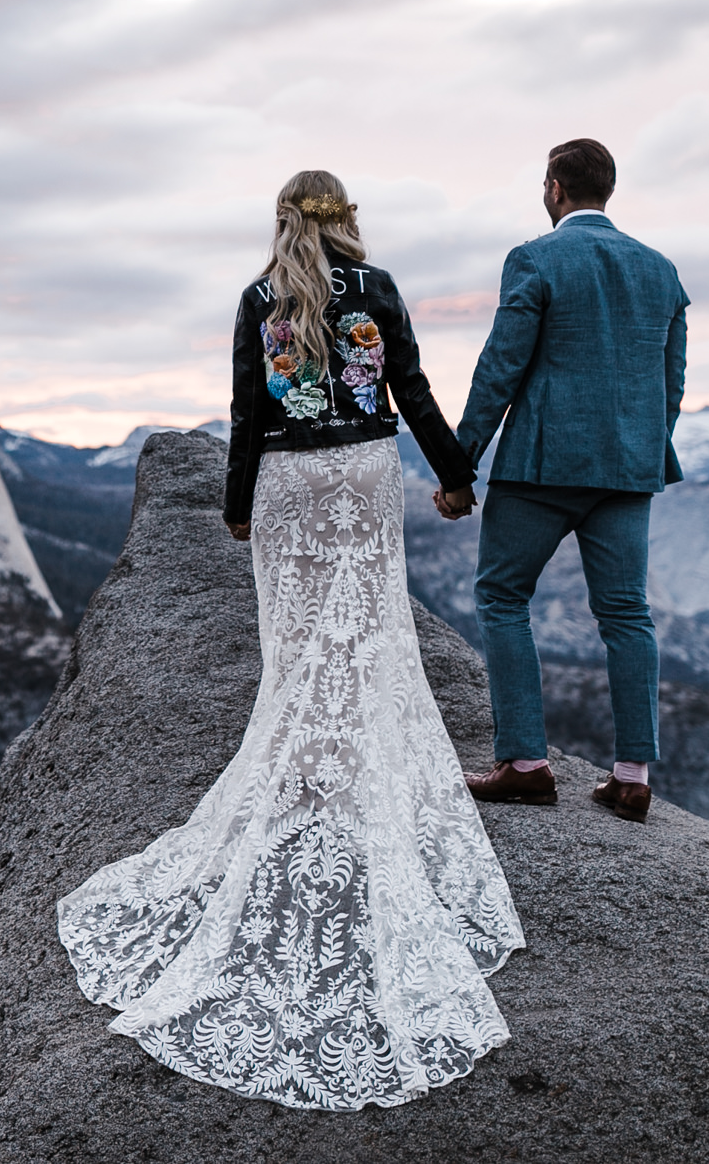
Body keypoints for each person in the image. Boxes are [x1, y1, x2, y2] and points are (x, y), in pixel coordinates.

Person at [55, 170, 527, 1111]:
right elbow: (414, 388)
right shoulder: (378, 288)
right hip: (360, 475)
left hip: (287, 483)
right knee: (364, 637)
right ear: (348, 219)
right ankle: (353, 777)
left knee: (299, 643)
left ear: (280, 221)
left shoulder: (261, 298)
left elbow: (245, 412)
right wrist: (455, 474)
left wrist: (236, 508)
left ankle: (305, 776)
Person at [451, 138, 688, 823]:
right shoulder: (661, 271)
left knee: (502, 594)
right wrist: (644, 447)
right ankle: (633, 775)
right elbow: (669, 382)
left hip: (542, 465)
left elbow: (501, 365)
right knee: (626, 614)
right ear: (607, 190)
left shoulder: (536, 259)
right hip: (626, 470)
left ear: (555, 188)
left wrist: (462, 460)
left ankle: (524, 763)